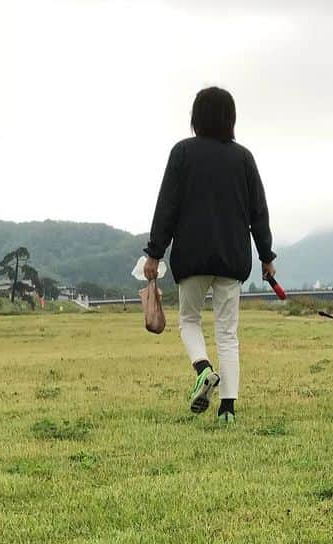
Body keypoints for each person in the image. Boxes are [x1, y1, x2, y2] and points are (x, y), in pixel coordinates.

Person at [143, 87, 276, 426]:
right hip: (232, 257)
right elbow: (258, 211)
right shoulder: (243, 158)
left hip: (192, 255)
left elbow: (167, 206)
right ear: (231, 118)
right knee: (227, 333)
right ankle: (227, 410)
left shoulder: (183, 153)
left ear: (195, 117)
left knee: (189, 320)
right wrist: (266, 256)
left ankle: (203, 370)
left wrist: (154, 253)